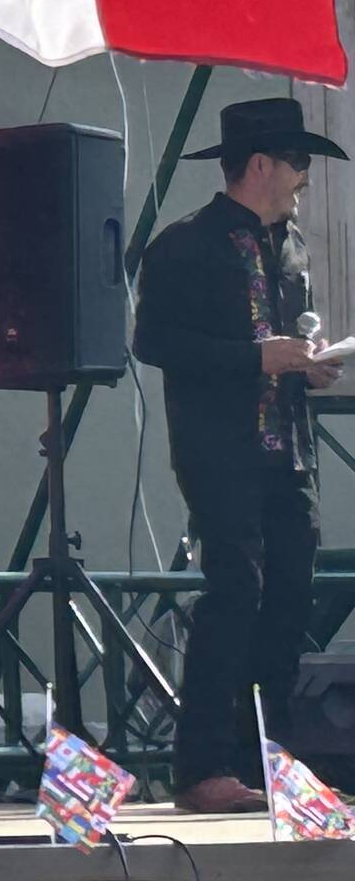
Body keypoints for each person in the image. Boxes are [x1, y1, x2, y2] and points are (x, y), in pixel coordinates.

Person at [132, 96, 346, 816]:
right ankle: (201, 768)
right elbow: (155, 345)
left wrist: (307, 366)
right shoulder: (182, 247)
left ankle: (273, 763)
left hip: (289, 451)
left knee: (288, 599)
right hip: (221, 452)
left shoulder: (290, 247)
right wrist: (256, 357)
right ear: (260, 164)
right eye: (297, 163)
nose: (303, 179)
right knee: (236, 596)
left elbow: (285, 345)